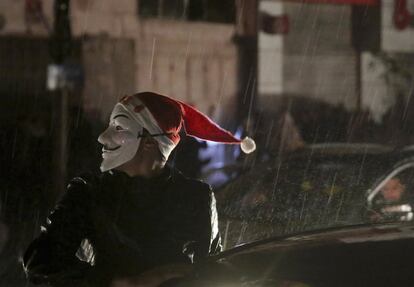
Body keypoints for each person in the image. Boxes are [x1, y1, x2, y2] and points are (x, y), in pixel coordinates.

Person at [22, 92, 256, 287]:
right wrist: (122, 283)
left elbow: (212, 271)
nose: (103, 138)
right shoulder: (88, 192)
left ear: (150, 142)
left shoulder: (196, 197)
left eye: (119, 128)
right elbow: (41, 262)